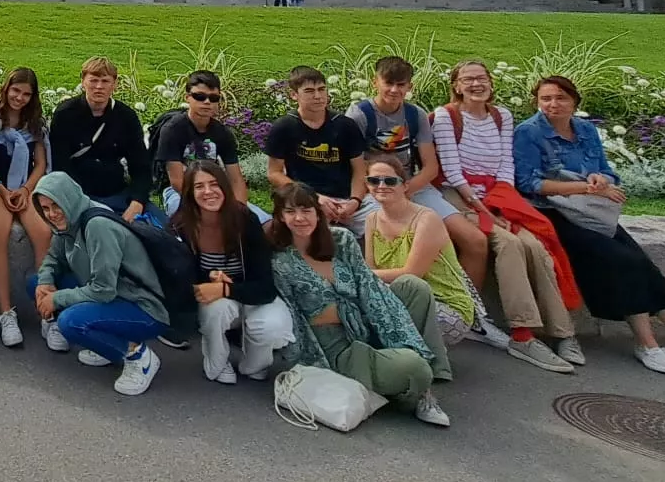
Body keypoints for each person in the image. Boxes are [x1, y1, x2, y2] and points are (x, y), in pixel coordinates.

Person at [517, 76, 665, 386]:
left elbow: (608, 171)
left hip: (591, 213)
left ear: (574, 102)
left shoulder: (585, 130)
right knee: (626, 261)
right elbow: (529, 184)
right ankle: (647, 343)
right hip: (553, 215)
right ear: (536, 102)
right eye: (546, 99)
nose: (553, 105)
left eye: (560, 98)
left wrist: (601, 180)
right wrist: (585, 187)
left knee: (642, 264)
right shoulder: (529, 132)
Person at [430, 58, 586, 367]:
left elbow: (506, 165)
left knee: (535, 246)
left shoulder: (502, 116)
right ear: (457, 86)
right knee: (509, 244)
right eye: (468, 79)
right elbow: (451, 169)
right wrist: (481, 206)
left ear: (490, 82)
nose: (476, 84)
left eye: (481, 78)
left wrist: (500, 199)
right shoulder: (446, 117)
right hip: (459, 196)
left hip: (499, 196)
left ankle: (563, 332)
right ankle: (523, 334)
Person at [267, 183, 451, 427]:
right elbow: (293, 318)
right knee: (413, 366)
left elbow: (370, 288)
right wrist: (307, 369)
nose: (299, 218)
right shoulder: (280, 262)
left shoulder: (340, 240)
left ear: (318, 212)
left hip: (365, 321)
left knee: (413, 287)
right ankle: (413, 384)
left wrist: (399, 335)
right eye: (290, 212)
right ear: (280, 216)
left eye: (306, 210)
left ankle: (427, 383)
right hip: (337, 348)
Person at [348, 56, 492, 300]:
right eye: (389, 83)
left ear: (410, 87)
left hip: (412, 185)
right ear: (376, 82)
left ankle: (472, 312)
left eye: (401, 85)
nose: (395, 90)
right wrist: (386, 190)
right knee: (396, 241)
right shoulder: (359, 115)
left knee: (475, 240)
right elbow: (357, 167)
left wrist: (406, 188)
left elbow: (430, 167)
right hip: (377, 187)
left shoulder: (415, 115)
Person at [30, 171, 168, 396]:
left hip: (143, 306)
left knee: (71, 322)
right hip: (114, 293)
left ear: (68, 197)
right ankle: (104, 341)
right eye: (45, 209)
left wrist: (56, 299)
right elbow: (54, 258)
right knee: (35, 283)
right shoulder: (70, 219)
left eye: (56, 205)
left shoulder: (97, 226)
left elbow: (103, 290)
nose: (52, 214)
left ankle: (137, 356)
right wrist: (44, 282)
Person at [356, 156, 478, 381]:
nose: (381, 186)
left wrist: (355, 274)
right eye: (374, 181)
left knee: (396, 299)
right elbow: (371, 269)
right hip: (399, 298)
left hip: (444, 305)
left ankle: (417, 367)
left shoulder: (426, 219)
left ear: (404, 186)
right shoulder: (372, 218)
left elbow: (412, 274)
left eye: (389, 181)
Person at [170, 160, 293, 383]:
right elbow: (179, 277)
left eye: (214, 184)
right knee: (216, 309)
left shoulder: (244, 220)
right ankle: (217, 359)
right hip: (217, 299)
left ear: (225, 187)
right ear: (189, 192)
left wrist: (226, 288)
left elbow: (265, 287)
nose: (208, 192)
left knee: (272, 327)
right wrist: (210, 277)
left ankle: (254, 362)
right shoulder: (181, 225)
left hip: (251, 293)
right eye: (199, 187)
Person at [0, 66, 52, 349]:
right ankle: (7, 313)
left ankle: (46, 310)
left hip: (25, 187)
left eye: (26, 94)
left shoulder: (35, 124)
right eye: (15, 91)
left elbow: (42, 163)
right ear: (6, 89)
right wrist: (2, 189)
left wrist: (25, 189)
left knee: (43, 233)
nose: (19, 98)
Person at [45, 57, 150, 220]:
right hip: (79, 195)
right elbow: (60, 164)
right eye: (93, 80)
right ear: (83, 82)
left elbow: (141, 166)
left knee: (160, 229)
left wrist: (137, 202)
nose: (99, 87)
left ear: (114, 84)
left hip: (117, 191)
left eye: (105, 81)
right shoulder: (65, 114)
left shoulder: (126, 117)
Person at [264, 66, 368, 227]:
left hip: (346, 198)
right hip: (304, 198)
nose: (318, 96)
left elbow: (360, 170)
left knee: (381, 220)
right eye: (309, 91)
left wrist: (355, 201)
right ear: (293, 95)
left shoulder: (345, 125)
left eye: (322, 89)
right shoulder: (284, 127)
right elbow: (274, 173)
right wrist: (314, 198)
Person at [149, 71, 253, 221]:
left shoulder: (222, 132)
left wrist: (240, 209)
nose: (206, 102)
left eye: (213, 98)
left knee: (259, 220)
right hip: (179, 192)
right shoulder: (173, 129)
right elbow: (177, 181)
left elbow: (236, 179)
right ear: (187, 98)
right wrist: (208, 203)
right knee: (195, 221)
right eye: (199, 96)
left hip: (215, 188)